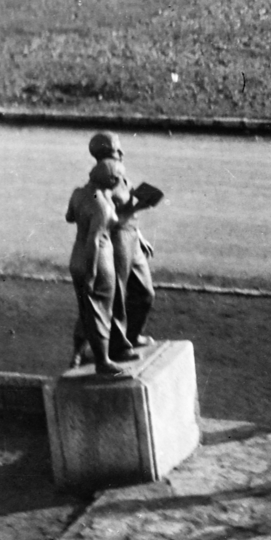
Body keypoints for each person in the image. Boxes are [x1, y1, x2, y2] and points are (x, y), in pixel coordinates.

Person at [89, 132, 163, 351]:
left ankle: (132, 334)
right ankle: (119, 345)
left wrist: (139, 236)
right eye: (115, 149)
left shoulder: (120, 175)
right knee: (118, 294)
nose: (121, 153)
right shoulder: (102, 183)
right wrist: (137, 208)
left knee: (145, 293)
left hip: (131, 237)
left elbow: (127, 208)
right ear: (102, 154)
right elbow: (104, 219)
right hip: (117, 239)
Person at [65, 160, 131, 377]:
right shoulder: (102, 206)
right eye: (119, 179)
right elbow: (94, 240)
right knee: (101, 310)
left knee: (86, 309)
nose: (122, 182)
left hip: (76, 257)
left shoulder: (79, 193)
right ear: (111, 180)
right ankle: (103, 362)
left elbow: (70, 217)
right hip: (97, 260)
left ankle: (77, 353)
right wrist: (92, 274)